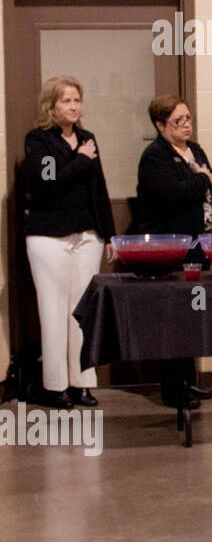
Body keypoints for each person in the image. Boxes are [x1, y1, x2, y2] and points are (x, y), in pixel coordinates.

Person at [22, 76, 116, 409]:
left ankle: (81, 382)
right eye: (66, 101)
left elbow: (99, 188)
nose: (74, 106)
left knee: (81, 313)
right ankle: (54, 385)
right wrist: (79, 159)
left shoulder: (88, 138)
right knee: (53, 311)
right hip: (49, 238)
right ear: (51, 106)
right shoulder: (39, 140)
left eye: (77, 100)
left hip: (87, 235)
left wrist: (109, 233)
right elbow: (48, 182)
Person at [132, 95, 212, 408]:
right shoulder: (155, 157)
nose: (187, 124)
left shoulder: (195, 149)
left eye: (188, 118)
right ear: (161, 126)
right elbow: (170, 196)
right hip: (174, 247)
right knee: (174, 319)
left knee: (193, 317)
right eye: (179, 120)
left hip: (203, 245)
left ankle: (189, 381)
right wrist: (201, 178)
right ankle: (173, 389)